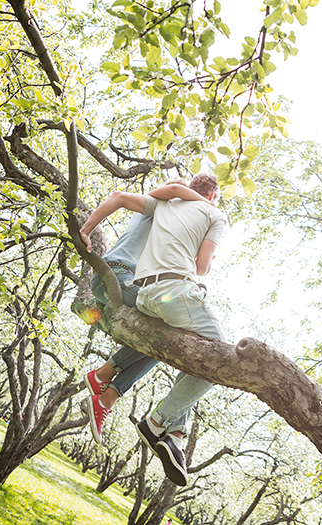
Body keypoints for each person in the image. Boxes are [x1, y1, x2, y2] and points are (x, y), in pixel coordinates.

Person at [80, 173, 227, 486]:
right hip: (124, 277)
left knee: (171, 341)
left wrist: (86, 230)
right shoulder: (183, 206)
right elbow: (201, 266)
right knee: (209, 352)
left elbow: (125, 197)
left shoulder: (169, 206)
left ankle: (112, 387)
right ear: (212, 196)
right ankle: (148, 414)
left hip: (135, 284)